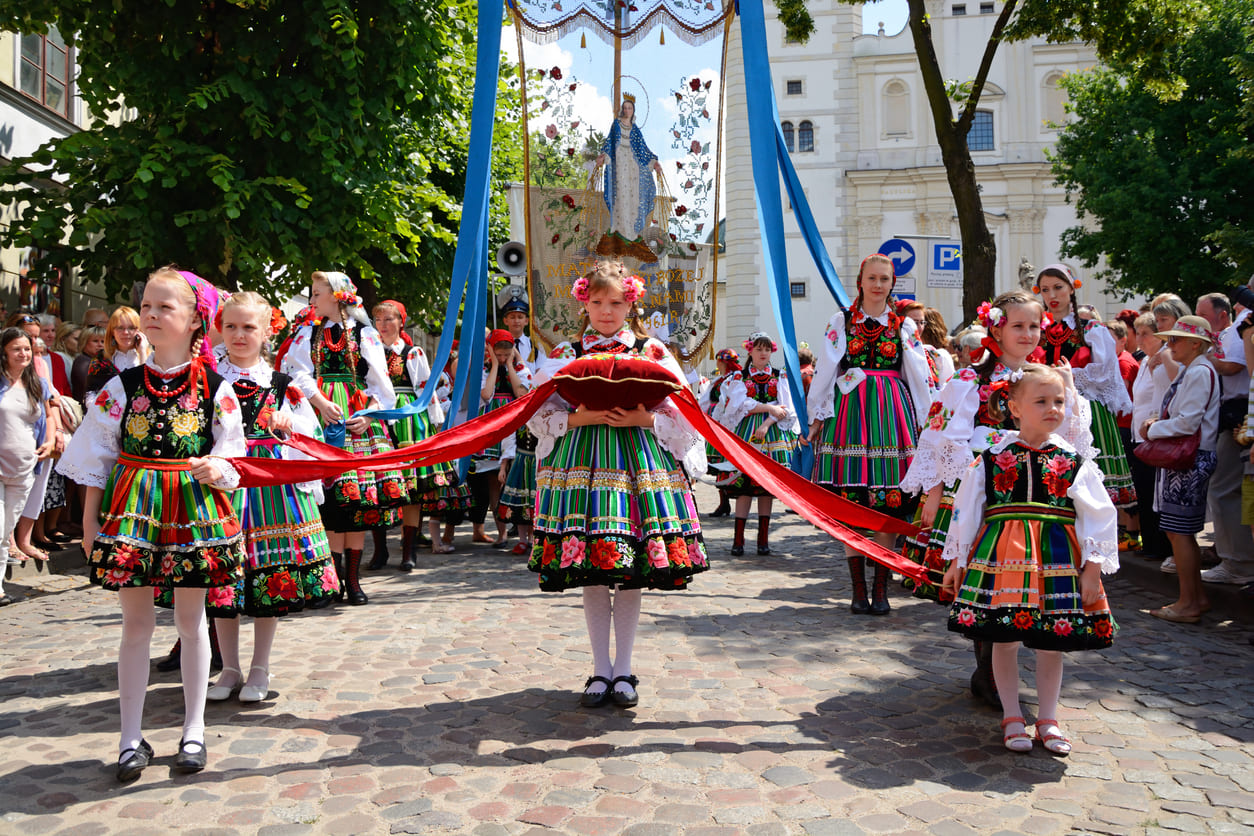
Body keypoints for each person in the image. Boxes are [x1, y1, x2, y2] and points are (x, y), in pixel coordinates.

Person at [57, 267, 245, 780]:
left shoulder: (217, 388)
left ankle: (193, 730)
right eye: (148, 307)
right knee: (135, 625)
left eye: (166, 307)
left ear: (193, 321)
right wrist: (90, 523)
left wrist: (216, 468)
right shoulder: (122, 385)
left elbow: (233, 458)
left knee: (190, 621)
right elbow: (95, 455)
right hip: (135, 510)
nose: (153, 315)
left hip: (192, 509)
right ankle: (129, 736)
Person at [528, 261, 708, 708]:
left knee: (628, 570)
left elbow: (686, 413)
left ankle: (624, 669)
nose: (605, 312)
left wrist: (643, 417)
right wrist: (578, 417)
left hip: (635, 464)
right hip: (580, 464)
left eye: (615, 303)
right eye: (596, 302)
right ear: (583, 303)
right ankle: (599, 669)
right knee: (593, 567)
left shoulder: (652, 352)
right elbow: (534, 412)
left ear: (631, 303)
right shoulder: (565, 353)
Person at [941, 364, 1117, 755]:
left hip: (1057, 560)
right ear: (1015, 407)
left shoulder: (1074, 461)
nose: (1053, 408)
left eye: (1058, 401)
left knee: (1051, 642)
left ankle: (1048, 718)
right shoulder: (990, 459)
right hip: (1003, 559)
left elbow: (1099, 516)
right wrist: (956, 562)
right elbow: (966, 513)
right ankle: (1011, 714)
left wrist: (1092, 570)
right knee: (1004, 640)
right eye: (1041, 401)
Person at [206, 292, 336, 704]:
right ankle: (229, 667)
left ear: (267, 332)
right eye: (231, 327)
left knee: (268, 576)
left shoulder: (282, 384)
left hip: (268, 487)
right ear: (220, 329)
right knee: (223, 579)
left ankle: (260, 666)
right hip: (221, 484)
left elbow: (308, 436)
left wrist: (288, 423)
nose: (239, 335)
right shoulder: (207, 379)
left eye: (249, 327)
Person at [808, 254, 929, 615]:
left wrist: (928, 420)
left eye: (885, 279)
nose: (878, 285)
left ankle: (881, 590)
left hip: (892, 412)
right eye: (872, 278)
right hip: (850, 412)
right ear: (860, 281)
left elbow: (919, 374)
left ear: (893, 284)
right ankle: (858, 590)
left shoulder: (903, 325)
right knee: (852, 503)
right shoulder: (841, 320)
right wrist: (817, 415)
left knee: (889, 499)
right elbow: (827, 369)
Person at [282, 271, 405, 606]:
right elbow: (297, 373)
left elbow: (383, 386)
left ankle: (353, 579)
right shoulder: (309, 332)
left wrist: (369, 416)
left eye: (317, 294)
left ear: (337, 296)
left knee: (356, 504)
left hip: (355, 419)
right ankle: (333, 579)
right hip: (320, 419)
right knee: (333, 503)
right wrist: (319, 401)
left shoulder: (365, 334)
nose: (312, 300)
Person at [1032, 264, 1136, 511]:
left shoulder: (1092, 330)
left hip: (1087, 412)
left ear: (1072, 288)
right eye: (1045, 290)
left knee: (1088, 488)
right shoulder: (1037, 331)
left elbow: (1104, 374)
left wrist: (1066, 377)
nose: (1052, 296)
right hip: (1043, 410)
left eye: (1058, 287)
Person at [1140, 316, 1221, 623]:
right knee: (1178, 531)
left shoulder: (1199, 370)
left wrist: (1154, 429)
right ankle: (1194, 598)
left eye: (1176, 339)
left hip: (1190, 457)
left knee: (1180, 532)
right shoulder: (1194, 369)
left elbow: (1188, 421)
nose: (1169, 344)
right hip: (1187, 456)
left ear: (1196, 344)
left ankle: (1189, 602)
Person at [373, 300, 465, 565]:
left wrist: (435, 424)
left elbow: (426, 391)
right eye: (379, 320)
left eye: (389, 319)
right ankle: (380, 550)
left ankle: (408, 551)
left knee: (411, 488)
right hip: (377, 418)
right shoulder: (369, 351)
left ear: (401, 322)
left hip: (407, 420)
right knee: (377, 485)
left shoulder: (412, 353)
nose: (383, 325)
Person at [711, 332, 799, 556]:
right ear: (750, 351)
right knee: (744, 487)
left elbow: (786, 408)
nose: (763, 353)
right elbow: (738, 406)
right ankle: (738, 540)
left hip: (772, 434)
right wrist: (770, 408)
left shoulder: (780, 376)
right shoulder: (739, 377)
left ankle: (763, 540)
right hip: (746, 431)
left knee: (766, 490)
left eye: (767, 349)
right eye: (759, 349)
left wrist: (768, 422)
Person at [1195, 293, 1254, 585]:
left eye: (1203, 315)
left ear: (1222, 314)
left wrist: (1202, 360)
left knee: (1226, 489)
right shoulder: (1232, 333)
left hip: (1240, 416)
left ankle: (1238, 563)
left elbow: (1233, 366)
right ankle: (1234, 557)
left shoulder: (1238, 329)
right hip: (1233, 415)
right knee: (1233, 489)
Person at [0, 328, 61, 603]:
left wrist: (49, 441)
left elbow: (49, 415)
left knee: (6, 529)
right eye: (16, 348)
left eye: (27, 348)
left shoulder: (37, 383)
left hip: (25, 469)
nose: (23, 353)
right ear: (4, 351)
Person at [469, 329, 532, 548]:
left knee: (519, 477)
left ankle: (525, 532)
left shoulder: (520, 368)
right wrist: (496, 365)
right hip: (494, 424)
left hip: (514, 422)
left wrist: (511, 365)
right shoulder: (485, 369)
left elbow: (522, 393)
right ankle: (502, 532)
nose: (503, 358)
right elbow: (486, 395)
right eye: (499, 354)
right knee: (494, 482)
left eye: (506, 354)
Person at [595, 95, 663, 261]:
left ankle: (632, 234)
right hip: (619, 163)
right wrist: (603, 156)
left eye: (629, 108)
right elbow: (609, 143)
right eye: (624, 108)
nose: (626, 110)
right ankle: (617, 229)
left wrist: (654, 162)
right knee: (620, 195)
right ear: (622, 110)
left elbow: (643, 150)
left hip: (632, 165)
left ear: (633, 111)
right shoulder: (616, 126)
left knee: (633, 198)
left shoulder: (636, 130)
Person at [1129, 313, 1173, 562]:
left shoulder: (1164, 359)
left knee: (1155, 491)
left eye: (1146, 333)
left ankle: (1161, 546)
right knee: (1144, 491)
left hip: (1155, 435)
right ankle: (1150, 544)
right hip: (1140, 434)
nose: (1140, 338)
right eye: (1139, 332)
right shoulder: (1145, 361)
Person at [84, 306, 148, 395]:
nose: (126, 332)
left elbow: (148, 387)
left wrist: (143, 353)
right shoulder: (100, 359)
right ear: (112, 331)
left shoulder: (152, 357)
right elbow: (91, 393)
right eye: (120, 328)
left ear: (139, 330)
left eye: (131, 328)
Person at [72, 325, 106, 404]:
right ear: (84, 342)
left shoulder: (101, 362)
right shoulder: (82, 361)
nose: (100, 345)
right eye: (95, 341)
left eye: (103, 341)